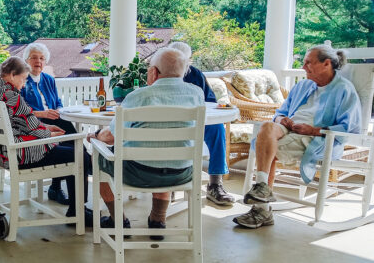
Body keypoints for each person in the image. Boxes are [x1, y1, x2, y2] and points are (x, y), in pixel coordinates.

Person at [232, 45, 361, 229]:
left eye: (308, 62)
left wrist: (314, 130)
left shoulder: (344, 90)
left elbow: (349, 128)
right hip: (290, 129)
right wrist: (282, 119)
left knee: (268, 148)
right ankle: (263, 190)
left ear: (326, 64)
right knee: (268, 127)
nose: (303, 67)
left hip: (317, 138)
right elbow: (280, 112)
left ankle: (261, 209)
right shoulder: (303, 85)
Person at [87, 48, 205, 239]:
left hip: (137, 174)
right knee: (167, 153)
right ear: (183, 72)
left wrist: (96, 136)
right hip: (182, 174)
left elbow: (112, 137)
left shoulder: (138, 96)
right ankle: (158, 220)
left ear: (154, 72)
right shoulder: (196, 94)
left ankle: (119, 220)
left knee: (96, 156)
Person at [0, 56, 92, 224]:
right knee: (80, 155)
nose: (23, 85)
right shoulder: (12, 96)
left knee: (69, 148)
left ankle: (67, 198)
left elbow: (25, 122)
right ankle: (78, 212)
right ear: (13, 75)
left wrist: (47, 128)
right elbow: (32, 127)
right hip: (22, 154)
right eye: (22, 79)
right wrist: (50, 134)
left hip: (6, 153)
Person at [168, 42, 234, 205]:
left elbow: (210, 100)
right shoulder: (158, 74)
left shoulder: (195, 75)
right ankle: (167, 182)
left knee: (218, 128)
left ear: (188, 61)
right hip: (168, 123)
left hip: (195, 122)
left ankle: (215, 183)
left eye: (182, 59)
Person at [20, 42, 79, 205]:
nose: (38, 61)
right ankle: (58, 187)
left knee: (72, 138)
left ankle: (56, 186)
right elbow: (21, 110)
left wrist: (59, 109)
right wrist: (43, 114)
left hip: (53, 118)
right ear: (26, 60)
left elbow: (57, 101)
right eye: (34, 58)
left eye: (41, 58)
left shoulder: (49, 79)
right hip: (36, 123)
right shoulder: (22, 81)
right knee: (72, 144)